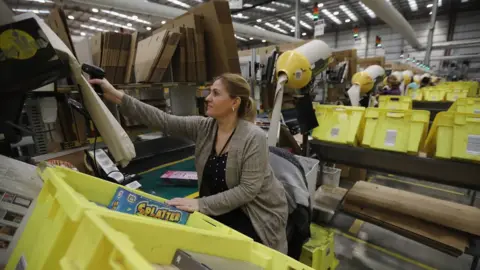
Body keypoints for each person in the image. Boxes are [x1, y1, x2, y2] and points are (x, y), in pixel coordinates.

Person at [90, 73, 289, 253]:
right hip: (219, 208)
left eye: (215, 93)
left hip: (254, 213)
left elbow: (247, 190)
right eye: (209, 92)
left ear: (234, 102)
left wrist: (200, 204)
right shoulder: (204, 127)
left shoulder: (253, 137)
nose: (208, 98)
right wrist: (116, 95)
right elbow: (164, 120)